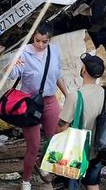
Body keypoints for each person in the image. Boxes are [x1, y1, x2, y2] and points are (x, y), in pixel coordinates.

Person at [10, 22, 69, 190]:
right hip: (29, 103)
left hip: (50, 100)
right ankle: (26, 180)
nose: (41, 45)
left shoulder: (54, 51)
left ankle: (44, 164)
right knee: (34, 145)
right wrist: (12, 66)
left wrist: (68, 95)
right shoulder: (24, 52)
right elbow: (13, 73)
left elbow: (58, 75)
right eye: (37, 40)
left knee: (55, 138)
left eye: (45, 41)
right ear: (33, 37)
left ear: (50, 40)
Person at [56, 53, 106, 190]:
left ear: (83, 71)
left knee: (72, 185)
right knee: (92, 183)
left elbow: (62, 126)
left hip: (76, 151)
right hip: (97, 148)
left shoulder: (75, 96)